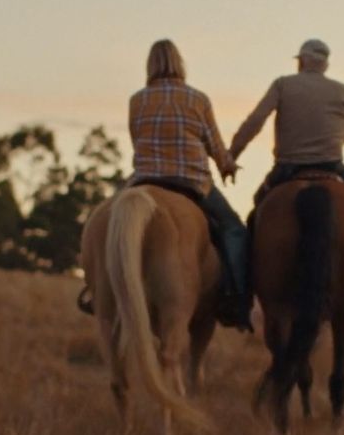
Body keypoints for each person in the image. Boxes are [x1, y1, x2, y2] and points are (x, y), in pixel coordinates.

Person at [83, 39, 252, 329]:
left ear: (150, 65)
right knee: (234, 230)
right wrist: (227, 166)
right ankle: (236, 297)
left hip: (144, 180)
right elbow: (214, 145)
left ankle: (95, 290)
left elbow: (138, 141)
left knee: (102, 222)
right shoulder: (197, 99)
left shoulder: (137, 99)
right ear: (180, 64)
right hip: (191, 182)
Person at [229, 38, 344, 311]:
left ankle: (244, 286)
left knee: (256, 211)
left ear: (302, 61)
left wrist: (232, 154)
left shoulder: (283, 84)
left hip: (287, 169)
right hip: (332, 167)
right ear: (326, 64)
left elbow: (256, 121)